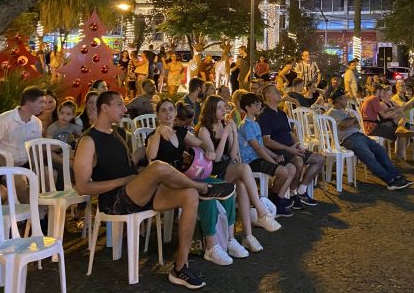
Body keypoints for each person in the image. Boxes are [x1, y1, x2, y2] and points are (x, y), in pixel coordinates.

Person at [74, 90, 236, 289]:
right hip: (115, 201)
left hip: (138, 193)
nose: (125, 109)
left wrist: (138, 170)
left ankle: (180, 267)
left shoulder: (118, 133)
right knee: (158, 166)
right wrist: (125, 180)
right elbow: (82, 187)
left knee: (190, 195)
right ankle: (204, 187)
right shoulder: (88, 140)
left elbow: (131, 163)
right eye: (119, 104)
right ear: (104, 108)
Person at [146, 98, 256, 265]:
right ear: (157, 115)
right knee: (206, 194)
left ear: (175, 113)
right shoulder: (153, 135)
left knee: (226, 188)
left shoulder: (180, 132)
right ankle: (211, 247)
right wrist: (158, 133)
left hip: (185, 178)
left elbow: (201, 143)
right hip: (166, 184)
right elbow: (151, 155)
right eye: (163, 110)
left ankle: (229, 239)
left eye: (171, 109)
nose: (168, 113)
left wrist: (209, 150)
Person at [196, 95, 283, 229]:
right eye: (219, 108)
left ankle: (247, 234)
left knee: (241, 185)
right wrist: (225, 135)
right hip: (212, 171)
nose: (223, 110)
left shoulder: (225, 125)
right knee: (244, 168)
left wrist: (234, 134)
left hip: (227, 167)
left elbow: (233, 155)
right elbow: (216, 158)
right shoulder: (204, 130)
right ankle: (261, 212)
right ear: (211, 110)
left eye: (224, 106)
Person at [326, 89, 412, 190]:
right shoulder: (331, 113)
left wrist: (352, 121)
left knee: (381, 150)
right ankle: (390, 181)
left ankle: (397, 176)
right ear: (339, 100)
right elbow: (344, 125)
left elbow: (357, 125)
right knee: (369, 156)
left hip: (359, 135)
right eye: (345, 98)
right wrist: (353, 120)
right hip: (348, 139)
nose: (347, 100)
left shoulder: (345, 112)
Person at [259, 83, 323, 210]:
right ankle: (293, 194)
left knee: (319, 158)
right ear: (268, 96)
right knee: (298, 161)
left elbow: (289, 133)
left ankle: (301, 190)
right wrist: (289, 149)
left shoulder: (282, 113)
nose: (279, 92)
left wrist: (298, 145)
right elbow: (266, 141)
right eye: (275, 91)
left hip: (291, 148)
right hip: (278, 152)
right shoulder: (264, 116)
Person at [237, 92, 298, 214]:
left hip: (259, 158)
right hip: (250, 161)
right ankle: (274, 198)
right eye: (256, 104)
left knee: (292, 168)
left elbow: (261, 147)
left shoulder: (255, 123)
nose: (260, 106)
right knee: (284, 171)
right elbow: (258, 149)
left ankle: (278, 199)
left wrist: (276, 156)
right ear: (247, 107)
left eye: (259, 103)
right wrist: (273, 162)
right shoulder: (246, 125)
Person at [0, 86, 45, 168]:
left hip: (24, 164)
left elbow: (35, 148)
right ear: (28, 103)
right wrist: (11, 167)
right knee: (20, 176)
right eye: (41, 102)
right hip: (1, 165)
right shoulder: (4, 120)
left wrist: (36, 167)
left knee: (48, 172)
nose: (44, 106)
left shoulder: (37, 123)